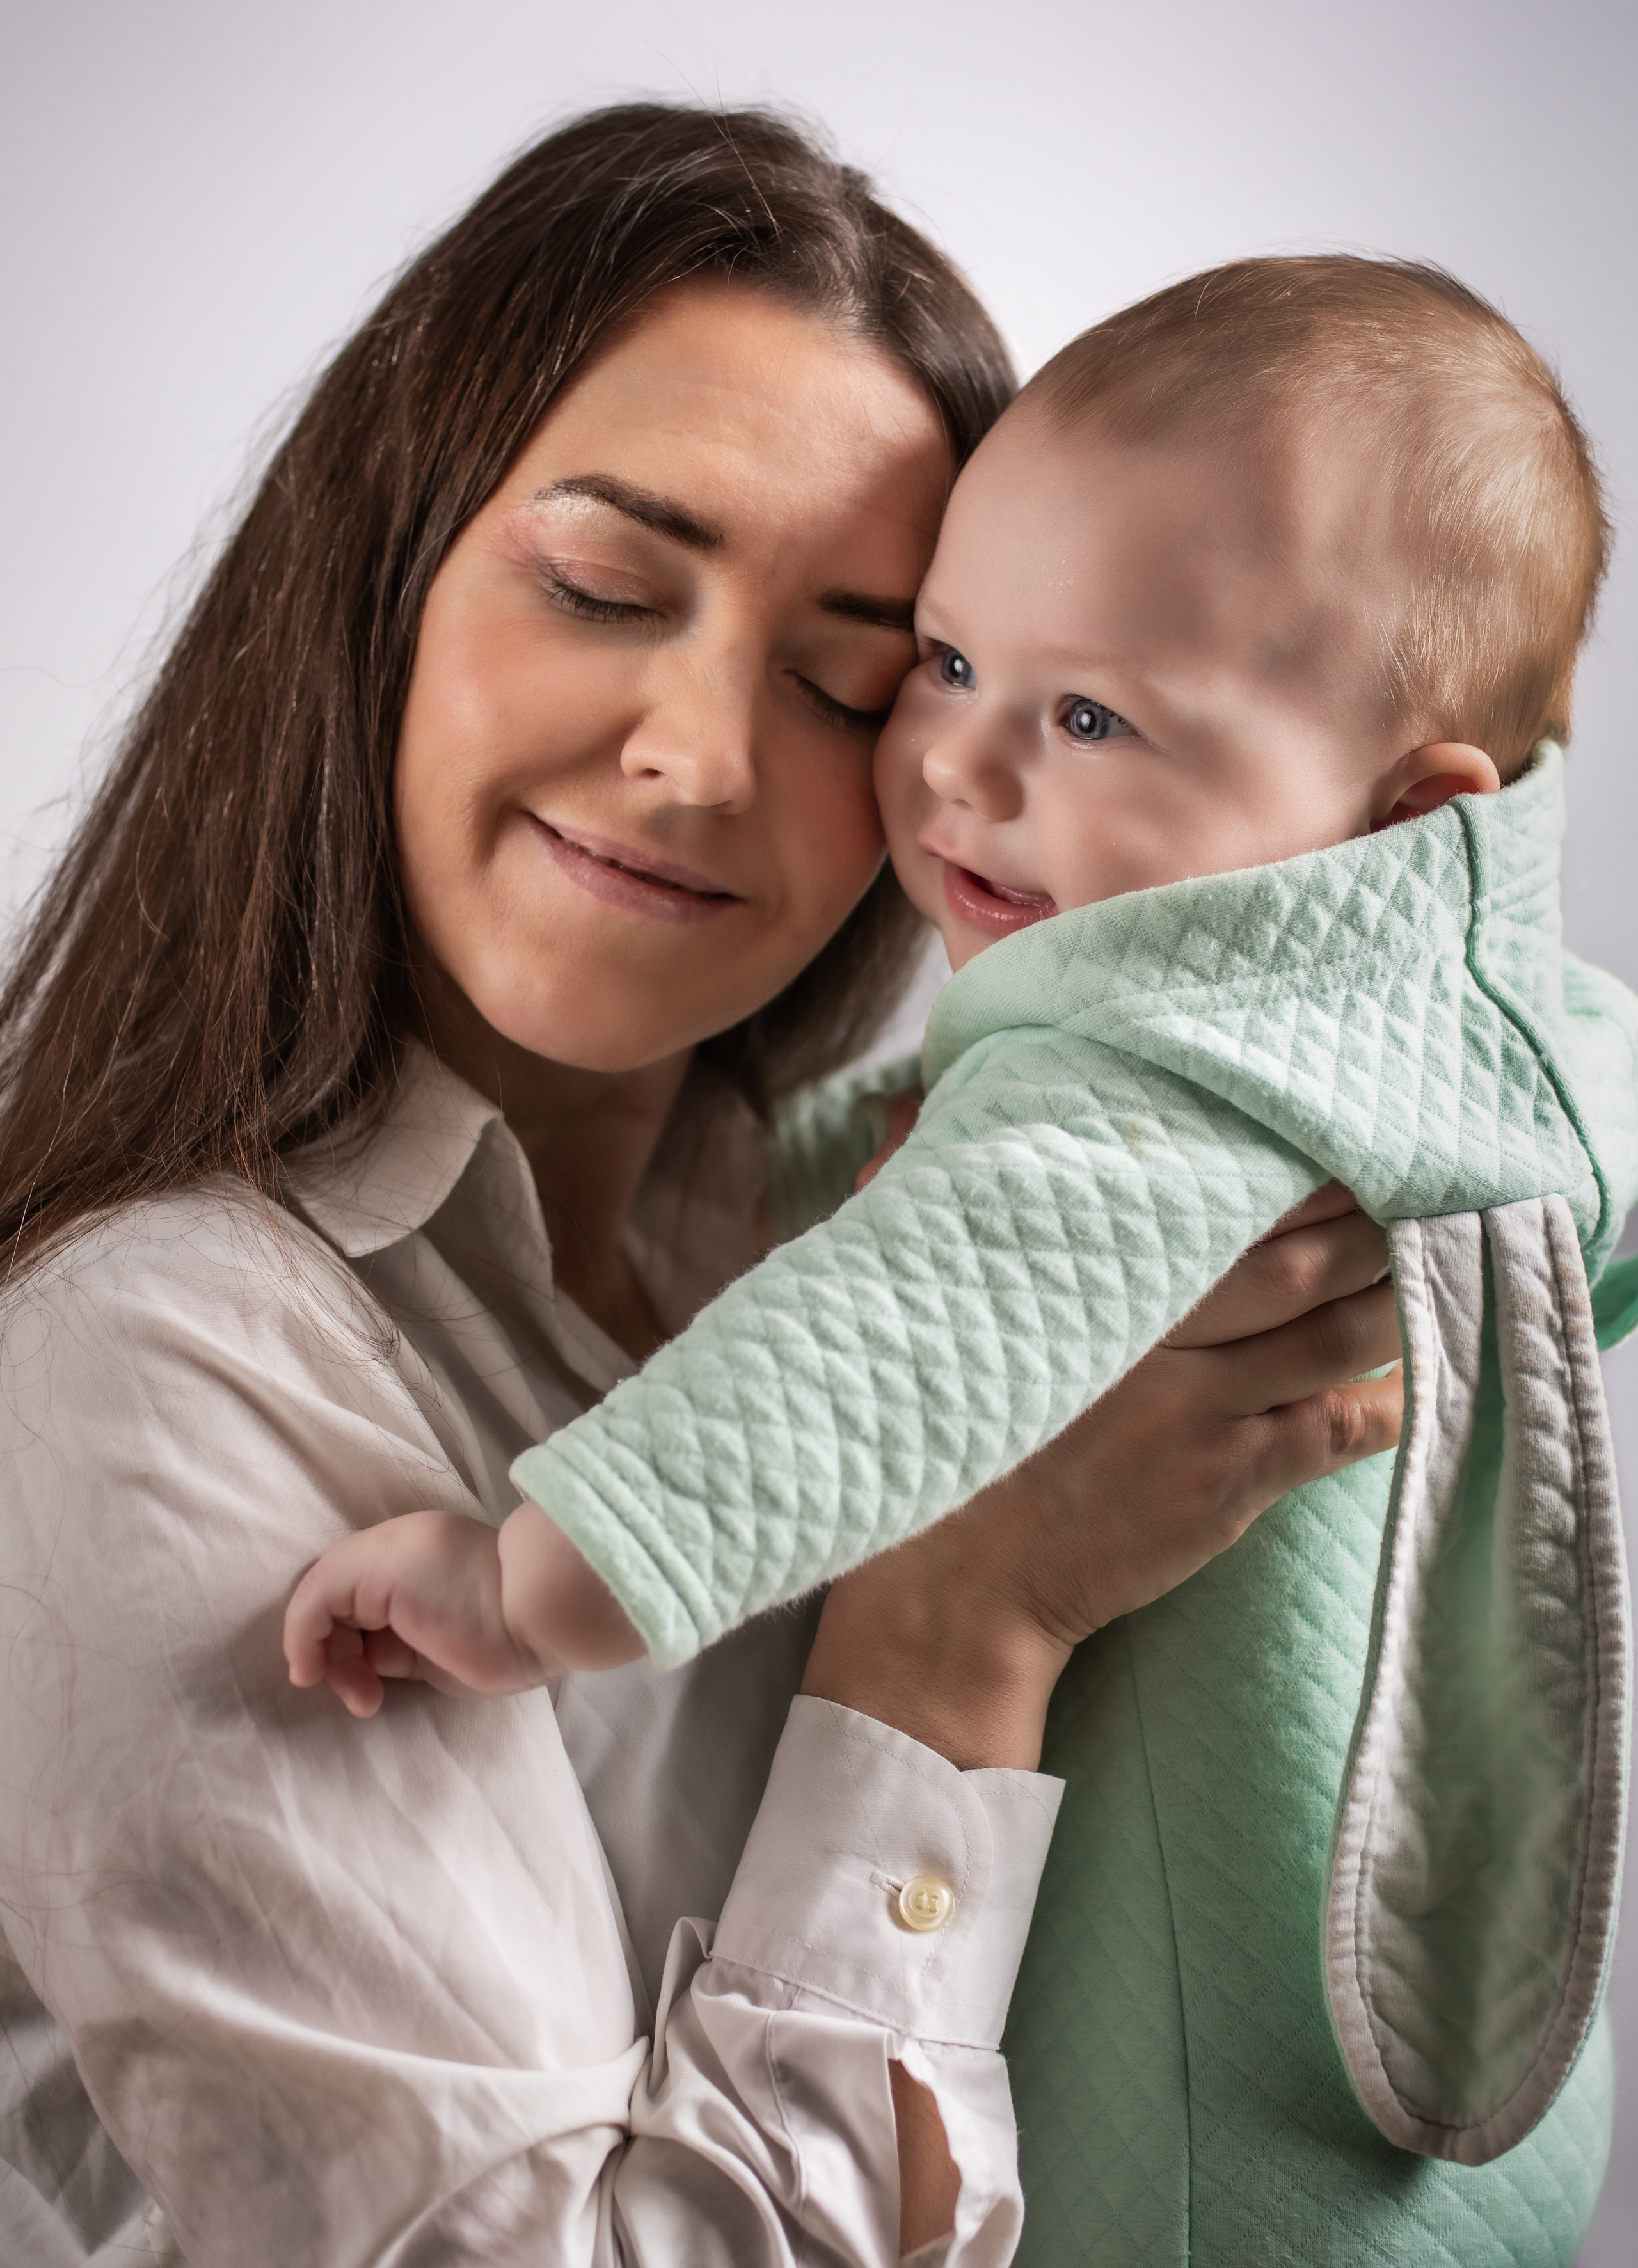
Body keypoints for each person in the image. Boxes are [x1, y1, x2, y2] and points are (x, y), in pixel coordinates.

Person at [0, 107, 1406, 2266]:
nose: (705, 756)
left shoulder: (856, 1232)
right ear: (379, 571)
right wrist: (958, 1616)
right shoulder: (155, 1350)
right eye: (599, 586)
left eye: (858, 672)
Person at [281, 258, 1638, 2264]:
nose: (958, 770)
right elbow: (940, 1195)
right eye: (938, 663)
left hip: (1196, 2128)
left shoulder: (1185, 1057)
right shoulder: (1498, 1029)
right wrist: (827, 1166)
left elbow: (887, 1336)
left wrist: (521, 1577)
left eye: (1089, 715)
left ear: (1392, 808)